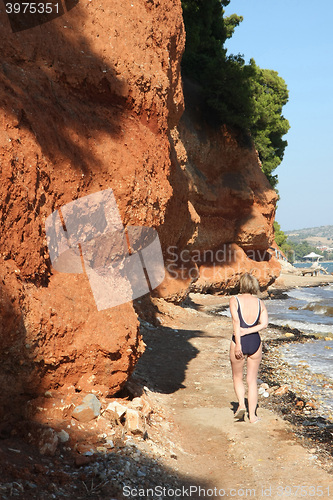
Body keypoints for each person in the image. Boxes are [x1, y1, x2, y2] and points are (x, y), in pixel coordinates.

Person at [229, 273, 268, 423]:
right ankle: (253, 416)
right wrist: (250, 331)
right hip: (255, 342)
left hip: (239, 341)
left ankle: (241, 405)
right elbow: (264, 324)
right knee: (252, 380)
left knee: (237, 377)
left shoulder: (234, 300)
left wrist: (239, 343)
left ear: (241, 285)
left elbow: (236, 322)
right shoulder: (259, 303)